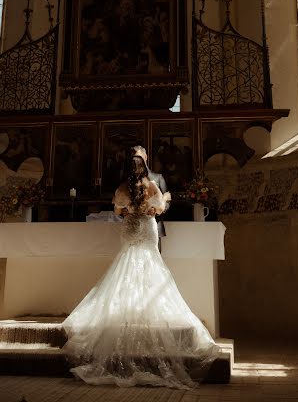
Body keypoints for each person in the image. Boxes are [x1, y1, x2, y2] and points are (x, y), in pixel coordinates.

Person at [62, 148, 220, 388]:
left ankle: (127, 306)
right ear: (144, 163)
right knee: (150, 264)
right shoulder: (151, 183)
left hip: (131, 226)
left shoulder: (124, 185)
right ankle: (143, 305)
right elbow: (159, 207)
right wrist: (160, 203)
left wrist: (130, 210)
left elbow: (117, 209)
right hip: (146, 227)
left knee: (126, 264)